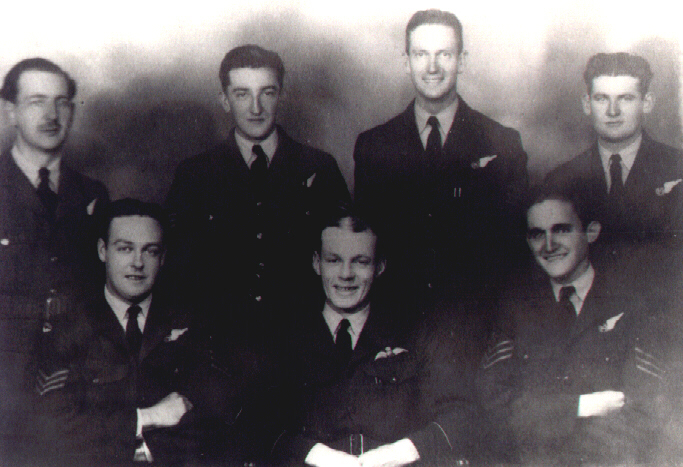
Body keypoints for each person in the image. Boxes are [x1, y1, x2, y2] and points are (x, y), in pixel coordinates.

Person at [165, 44, 350, 345]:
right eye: (242, 94)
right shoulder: (194, 174)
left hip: (303, 342)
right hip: (219, 343)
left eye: (267, 93)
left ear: (282, 96)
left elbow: (345, 254)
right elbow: (177, 268)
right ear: (224, 100)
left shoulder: (319, 167)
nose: (256, 108)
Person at [34, 199, 240, 466]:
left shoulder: (192, 323)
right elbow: (51, 425)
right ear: (103, 251)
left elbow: (215, 420)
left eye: (150, 251)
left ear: (163, 258)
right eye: (125, 249)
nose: (137, 263)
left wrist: (142, 448)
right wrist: (148, 417)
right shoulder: (68, 326)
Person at [274, 205, 483, 467]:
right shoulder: (284, 337)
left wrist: (397, 454)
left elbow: (463, 414)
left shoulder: (417, 332)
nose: (346, 274)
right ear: (317, 263)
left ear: (380, 266)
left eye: (360, 261)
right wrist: (315, 455)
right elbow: (253, 422)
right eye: (334, 260)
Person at [353, 9, 528, 314]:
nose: (432, 67)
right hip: (395, 319)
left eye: (444, 54)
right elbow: (365, 247)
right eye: (421, 54)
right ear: (406, 62)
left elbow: (514, 248)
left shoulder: (503, 143)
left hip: (476, 319)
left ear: (462, 61)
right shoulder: (373, 146)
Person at [477, 187, 666, 465]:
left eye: (562, 230)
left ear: (591, 232)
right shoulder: (514, 310)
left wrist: (543, 414)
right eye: (537, 234)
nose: (549, 245)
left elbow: (647, 409)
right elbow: (496, 408)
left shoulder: (631, 304)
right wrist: (582, 406)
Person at [0, 57, 108, 462]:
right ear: (10, 111)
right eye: (37, 102)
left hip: (76, 383)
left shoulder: (92, 194)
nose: (51, 115)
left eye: (62, 102)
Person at [545, 53, 683, 306]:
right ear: (587, 104)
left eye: (626, 98)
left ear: (647, 102)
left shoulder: (677, 168)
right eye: (601, 99)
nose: (612, 111)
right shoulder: (560, 180)